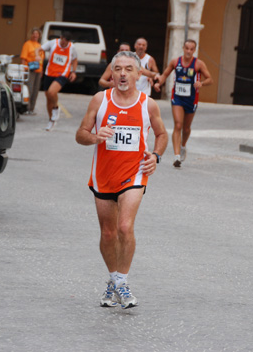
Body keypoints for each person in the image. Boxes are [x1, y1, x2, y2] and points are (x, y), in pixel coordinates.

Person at [76, 51, 168, 309]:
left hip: (134, 174)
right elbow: (80, 134)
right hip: (103, 175)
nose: (123, 73)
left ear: (139, 74)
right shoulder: (99, 100)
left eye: (129, 69)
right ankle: (114, 279)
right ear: (112, 74)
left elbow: (162, 134)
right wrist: (95, 137)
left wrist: (156, 156)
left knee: (124, 227)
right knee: (107, 233)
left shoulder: (147, 104)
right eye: (118, 69)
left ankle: (122, 284)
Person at [155, 39, 212, 168]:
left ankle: (183, 145)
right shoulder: (176, 62)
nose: (189, 51)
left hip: (191, 99)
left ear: (194, 50)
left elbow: (210, 79)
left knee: (186, 128)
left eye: (191, 49)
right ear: (183, 48)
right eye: (187, 48)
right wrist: (159, 83)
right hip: (177, 98)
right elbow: (165, 74)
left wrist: (201, 83)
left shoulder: (198, 64)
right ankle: (176, 156)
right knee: (178, 124)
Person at [35, 32, 78, 131]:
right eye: (62, 42)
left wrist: (74, 72)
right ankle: (51, 120)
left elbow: (75, 59)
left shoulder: (72, 48)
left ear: (69, 41)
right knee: (48, 97)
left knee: (52, 92)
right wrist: (37, 55)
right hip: (49, 73)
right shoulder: (53, 43)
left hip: (62, 74)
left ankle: (56, 108)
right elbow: (38, 49)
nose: (63, 44)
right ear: (60, 38)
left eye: (65, 43)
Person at [20, 28, 43, 114]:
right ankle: (26, 107)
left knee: (36, 89)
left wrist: (42, 70)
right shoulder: (27, 44)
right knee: (29, 88)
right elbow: (23, 58)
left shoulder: (39, 45)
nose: (35, 35)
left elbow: (41, 59)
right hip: (29, 69)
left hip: (38, 70)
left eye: (37, 34)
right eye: (34, 34)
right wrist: (24, 68)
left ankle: (32, 109)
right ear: (31, 35)